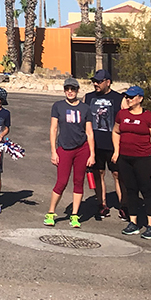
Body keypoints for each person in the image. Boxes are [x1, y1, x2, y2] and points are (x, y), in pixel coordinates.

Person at [112, 86, 151, 240]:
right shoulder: (122, 114)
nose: (128, 99)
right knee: (130, 189)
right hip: (125, 158)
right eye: (127, 96)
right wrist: (116, 150)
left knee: (146, 190)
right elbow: (116, 131)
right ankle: (133, 222)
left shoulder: (149, 117)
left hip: (144, 158)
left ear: (140, 98)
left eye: (132, 97)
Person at [45, 77, 95, 228]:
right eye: (67, 89)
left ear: (78, 90)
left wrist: (92, 154)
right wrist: (54, 151)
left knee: (79, 182)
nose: (70, 92)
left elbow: (89, 132)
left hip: (82, 149)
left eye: (73, 89)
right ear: (64, 90)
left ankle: (74, 215)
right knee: (61, 182)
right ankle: (51, 212)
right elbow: (53, 129)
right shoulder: (58, 106)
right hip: (64, 148)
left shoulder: (85, 108)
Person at [84, 69, 125, 219]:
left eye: (99, 81)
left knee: (118, 175)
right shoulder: (88, 98)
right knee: (98, 173)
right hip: (94, 145)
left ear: (108, 82)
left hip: (113, 145)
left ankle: (123, 205)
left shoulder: (119, 99)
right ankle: (102, 204)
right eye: (94, 81)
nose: (96, 84)